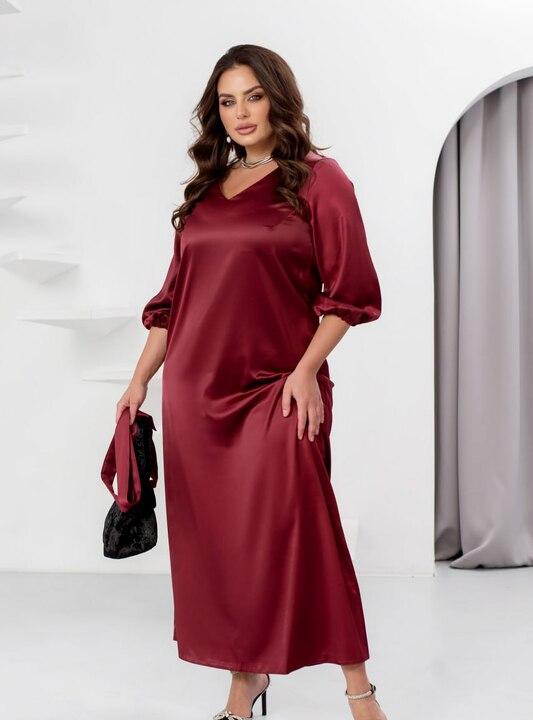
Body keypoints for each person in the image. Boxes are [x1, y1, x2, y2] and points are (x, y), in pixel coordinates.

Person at [116, 44, 386, 720]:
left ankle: (360, 694)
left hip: (279, 389)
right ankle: (245, 682)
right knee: (221, 548)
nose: (240, 113)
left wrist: (305, 370)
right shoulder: (207, 191)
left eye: (253, 96)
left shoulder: (319, 180)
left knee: (306, 532)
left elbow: (350, 293)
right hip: (196, 395)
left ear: (277, 99)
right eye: (227, 101)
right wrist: (139, 381)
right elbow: (172, 303)